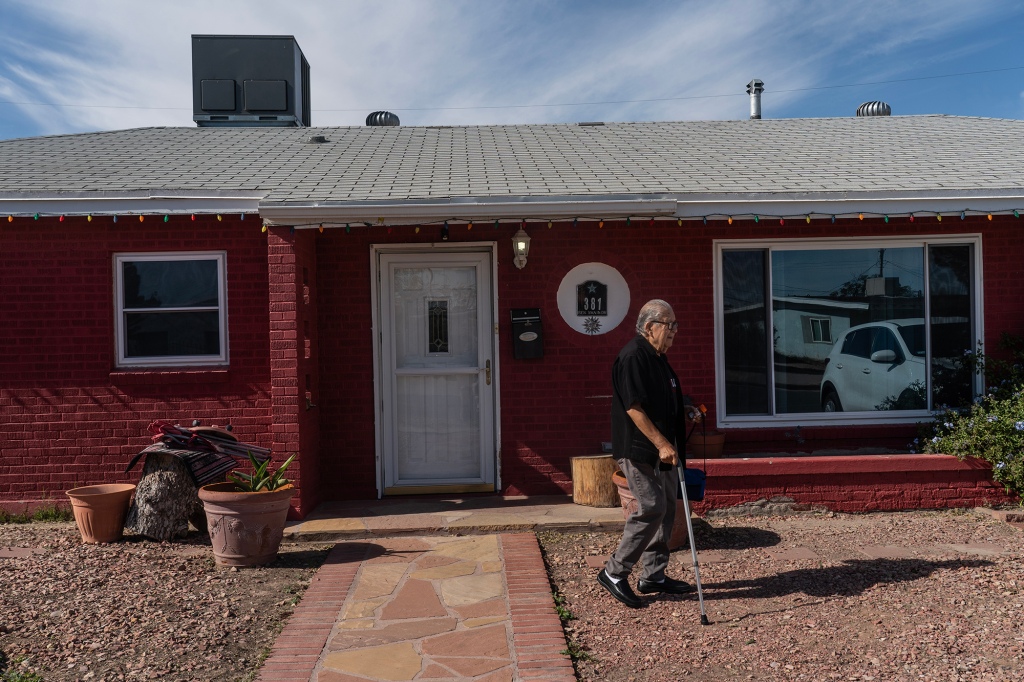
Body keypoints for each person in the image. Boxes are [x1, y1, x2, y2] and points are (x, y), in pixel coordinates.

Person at [598, 299, 696, 608]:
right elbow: (634, 408)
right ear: (650, 326)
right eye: (670, 325)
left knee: (667, 508)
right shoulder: (633, 356)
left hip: (663, 450)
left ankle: (653, 576)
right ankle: (614, 572)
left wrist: (686, 407)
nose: (674, 332)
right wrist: (662, 444)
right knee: (652, 506)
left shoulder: (658, 358)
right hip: (640, 448)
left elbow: (660, 399)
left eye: (675, 326)